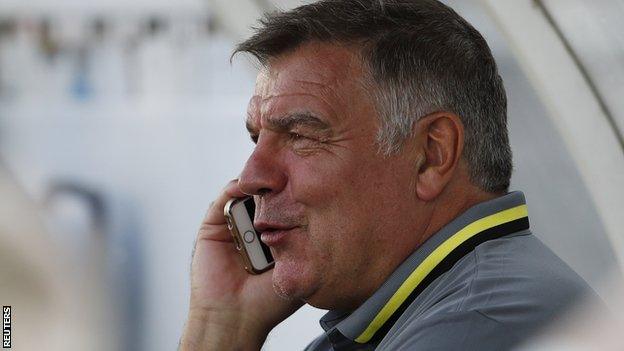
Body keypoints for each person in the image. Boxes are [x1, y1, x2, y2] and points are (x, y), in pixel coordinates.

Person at [179, 1, 594, 350]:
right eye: (257, 138)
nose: (252, 177)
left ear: (431, 156)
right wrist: (221, 327)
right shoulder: (435, 307)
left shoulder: (474, 325)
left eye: (301, 135)